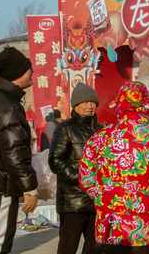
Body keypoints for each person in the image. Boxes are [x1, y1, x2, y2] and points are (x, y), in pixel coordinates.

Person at [79, 81, 149, 254]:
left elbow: (86, 178)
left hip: (112, 229)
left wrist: (102, 196)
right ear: (146, 106)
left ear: (120, 106)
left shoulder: (99, 139)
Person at [0, 47, 38, 253]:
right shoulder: (7, 105)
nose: (32, 73)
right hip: (0, 187)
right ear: (17, 74)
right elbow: (14, 152)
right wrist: (30, 188)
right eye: (28, 69)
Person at [48, 83, 101, 254]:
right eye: (85, 102)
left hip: (97, 201)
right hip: (72, 201)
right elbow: (55, 160)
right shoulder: (65, 129)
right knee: (67, 247)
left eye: (92, 102)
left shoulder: (101, 130)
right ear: (76, 105)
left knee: (95, 247)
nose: (89, 106)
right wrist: (82, 178)